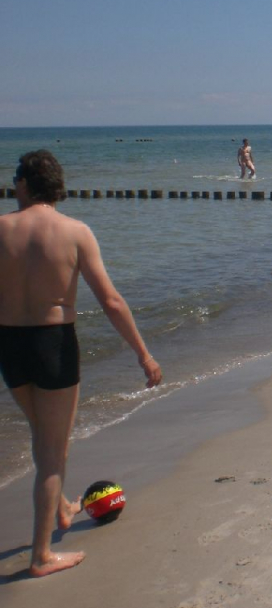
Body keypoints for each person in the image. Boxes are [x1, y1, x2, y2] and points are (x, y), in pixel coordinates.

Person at [0, 150, 162, 578]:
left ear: (25, 183)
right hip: (53, 344)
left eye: (15, 180)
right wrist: (143, 354)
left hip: (10, 345)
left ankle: (62, 509)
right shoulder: (75, 232)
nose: (12, 186)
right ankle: (41, 556)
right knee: (52, 452)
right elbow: (111, 301)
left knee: (45, 437)